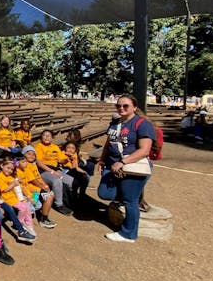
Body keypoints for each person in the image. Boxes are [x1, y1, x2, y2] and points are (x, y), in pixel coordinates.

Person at [96, 94, 156, 243]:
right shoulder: (115, 123)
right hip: (113, 164)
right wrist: (102, 159)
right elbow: (109, 144)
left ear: (134, 107)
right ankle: (132, 194)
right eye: (118, 106)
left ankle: (128, 234)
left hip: (132, 167)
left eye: (125, 106)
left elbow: (144, 150)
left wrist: (123, 162)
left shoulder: (142, 124)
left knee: (130, 201)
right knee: (104, 192)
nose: (121, 108)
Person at [34, 129, 74, 216]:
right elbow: (39, 163)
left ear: (52, 138)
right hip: (44, 170)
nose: (47, 137)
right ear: (41, 137)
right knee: (57, 181)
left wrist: (67, 158)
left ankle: (70, 201)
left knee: (71, 180)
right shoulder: (38, 147)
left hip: (55, 169)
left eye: (49, 136)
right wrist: (52, 171)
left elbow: (61, 160)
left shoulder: (55, 147)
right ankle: (59, 204)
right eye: (44, 135)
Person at [0, 157, 37, 237]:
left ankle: (29, 224)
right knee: (23, 208)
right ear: (2, 166)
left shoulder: (10, 177)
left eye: (11, 169)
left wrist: (26, 196)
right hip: (7, 198)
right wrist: (13, 184)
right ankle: (19, 222)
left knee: (27, 207)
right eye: (8, 168)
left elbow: (19, 187)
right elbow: (4, 190)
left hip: (15, 197)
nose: (9, 171)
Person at [19, 145, 56, 228]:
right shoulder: (26, 165)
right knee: (49, 197)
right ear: (23, 155)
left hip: (38, 187)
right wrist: (43, 187)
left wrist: (45, 185)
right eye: (28, 154)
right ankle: (43, 219)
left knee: (50, 195)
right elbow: (33, 180)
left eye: (33, 154)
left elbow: (38, 177)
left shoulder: (33, 164)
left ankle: (42, 215)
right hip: (32, 188)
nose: (31, 156)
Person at [62, 141, 90, 210]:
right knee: (75, 182)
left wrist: (83, 171)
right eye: (68, 147)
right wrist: (68, 158)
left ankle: (82, 195)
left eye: (72, 148)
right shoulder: (62, 154)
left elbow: (75, 167)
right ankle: (74, 198)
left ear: (75, 150)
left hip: (72, 170)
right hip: (64, 170)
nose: (70, 149)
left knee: (85, 177)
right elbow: (62, 163)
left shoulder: (74, 155)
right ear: (65, 148)